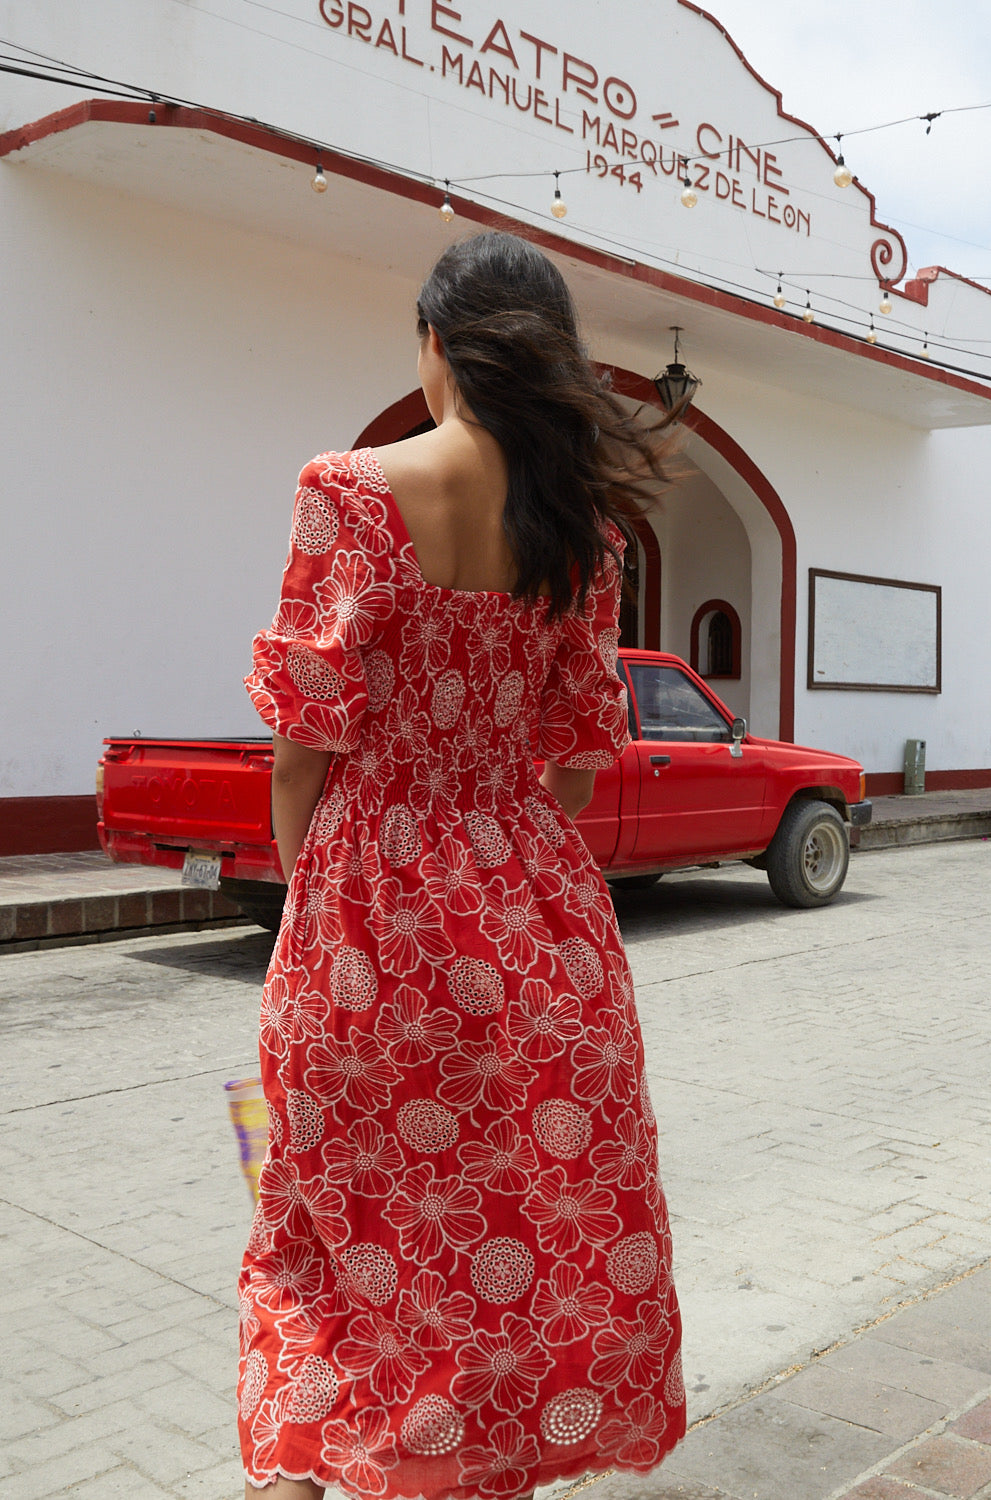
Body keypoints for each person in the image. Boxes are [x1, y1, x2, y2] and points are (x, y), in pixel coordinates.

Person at [238, 230, 685, 1499]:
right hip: (538, 923)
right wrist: (494, 849)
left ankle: (317, 1459)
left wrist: (308, 906)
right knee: (506, 1233)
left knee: (318, 1217)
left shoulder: (348, 486)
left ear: (434, 345)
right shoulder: (584, 536)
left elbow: (301, 745)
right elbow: (580, 760)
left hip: (368, 912)